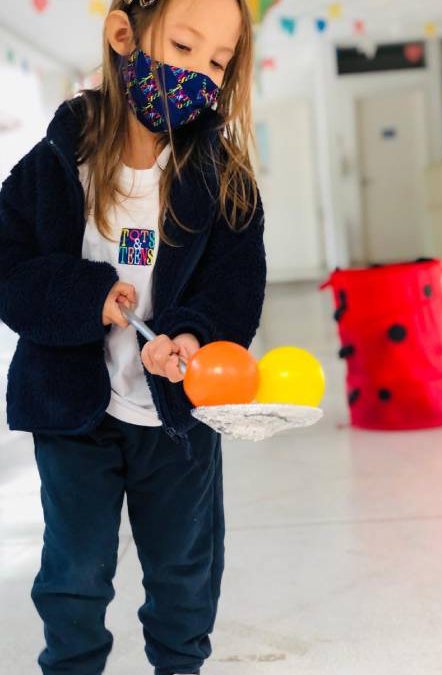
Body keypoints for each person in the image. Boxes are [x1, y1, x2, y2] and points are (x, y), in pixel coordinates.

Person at [0, 1, 265, 672]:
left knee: (185, 567)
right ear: (124, 35)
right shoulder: (55, 166)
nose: (201, 75)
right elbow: (10, 272)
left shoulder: (224, 179)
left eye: (217, 62)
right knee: (76, 568)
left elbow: (235, 290)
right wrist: (89, 296)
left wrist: (188, 337)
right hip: (73, 413)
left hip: (177, 414)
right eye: (183, 46)